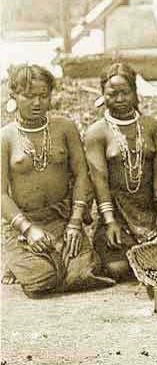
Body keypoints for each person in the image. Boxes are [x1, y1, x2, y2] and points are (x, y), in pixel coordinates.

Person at [1, 64, 114, 296]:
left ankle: (54, 260)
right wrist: (29, 230)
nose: (37, 103)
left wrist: (75, 222)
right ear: (14, 96)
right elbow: (1, 194)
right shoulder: (6, 137)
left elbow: (83, 175)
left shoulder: (65, 128)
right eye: (29, 96)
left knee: (84, 274)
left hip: (63, 220)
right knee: (41, 281)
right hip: (27, 223)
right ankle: (17, 259)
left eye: (43, 96)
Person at [85, 64, 157, 281]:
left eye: (126, 92)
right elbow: (100, 180)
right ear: (103, 95)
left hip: (150, 213)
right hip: (117, 216)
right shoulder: (97, 132)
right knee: (118, 269)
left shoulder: (151, 126)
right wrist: (110, 221)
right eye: (113, 94)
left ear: (135, 93)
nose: (120, 99)